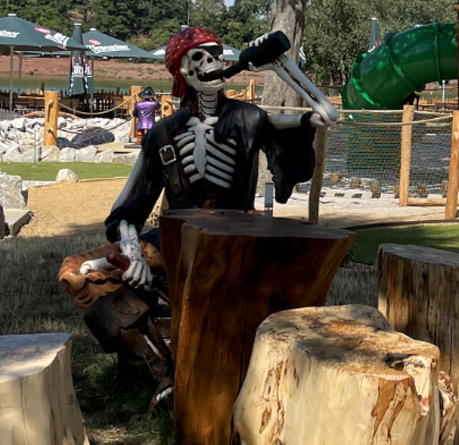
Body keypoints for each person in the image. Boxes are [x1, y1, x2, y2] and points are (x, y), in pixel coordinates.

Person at [58, 27, 338, 408]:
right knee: (88, 286)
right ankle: (163, 372)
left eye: (216, 56)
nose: (212, 64)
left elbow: (325, 115)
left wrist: (280, 64)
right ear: (183, 72)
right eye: (200, 58)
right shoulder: (162, 134)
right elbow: (125, 212)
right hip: (174, 245)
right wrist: (133, 253)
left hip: (237, 240)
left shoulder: (249, 118)